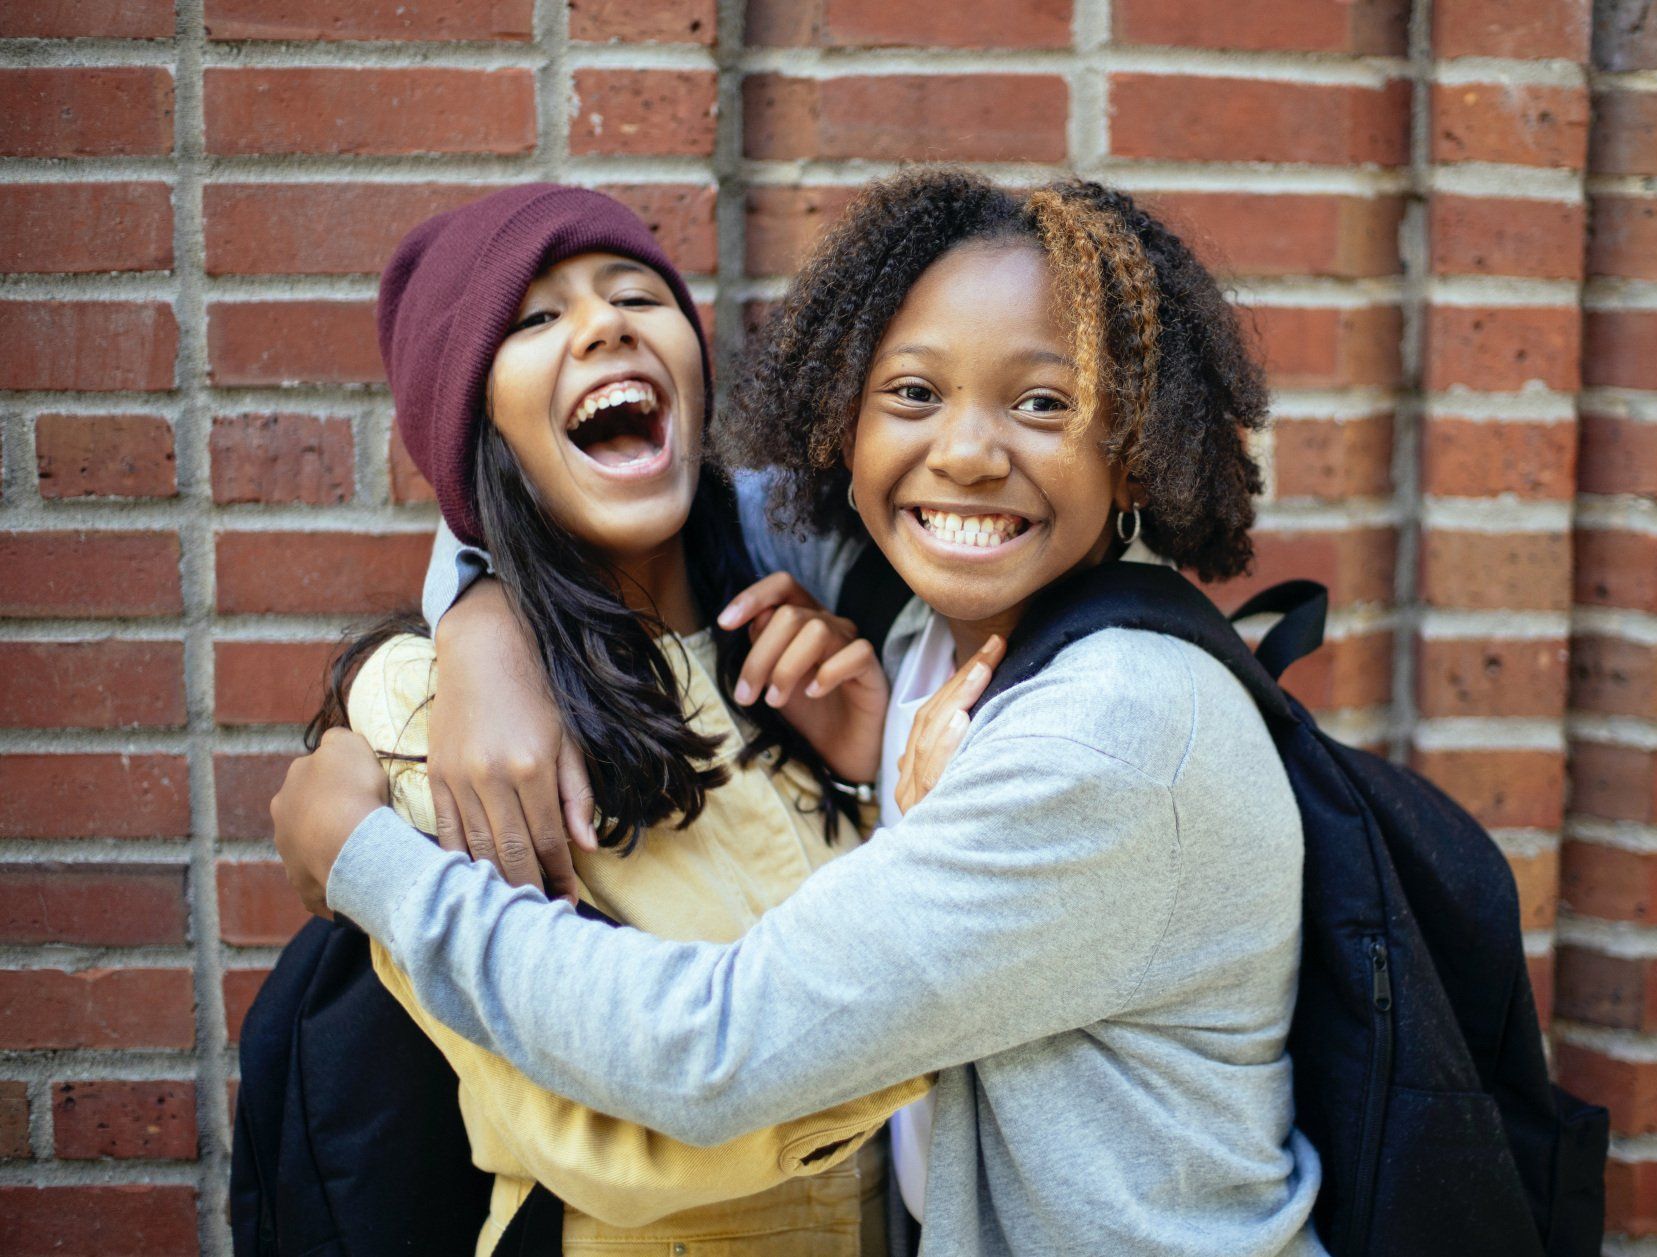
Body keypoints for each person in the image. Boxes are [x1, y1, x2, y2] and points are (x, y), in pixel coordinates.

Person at [275, 169, 1325, 1256]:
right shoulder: (879, 590)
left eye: (1045, 402)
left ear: (1141, 443)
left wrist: (364, 862)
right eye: (913, 394)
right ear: (847, 423)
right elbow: (502, 469)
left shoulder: (1103, 727)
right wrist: (479, 624)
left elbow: (723, 1049)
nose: (966, 455)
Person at [316, 182, 929, 1254]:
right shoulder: (435, 710)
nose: (604, 326)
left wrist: (883, 780)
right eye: (536, 319)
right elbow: (596, 1129)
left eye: (636, 297)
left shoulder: (804, 644)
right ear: (475, 422)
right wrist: (971, 999)